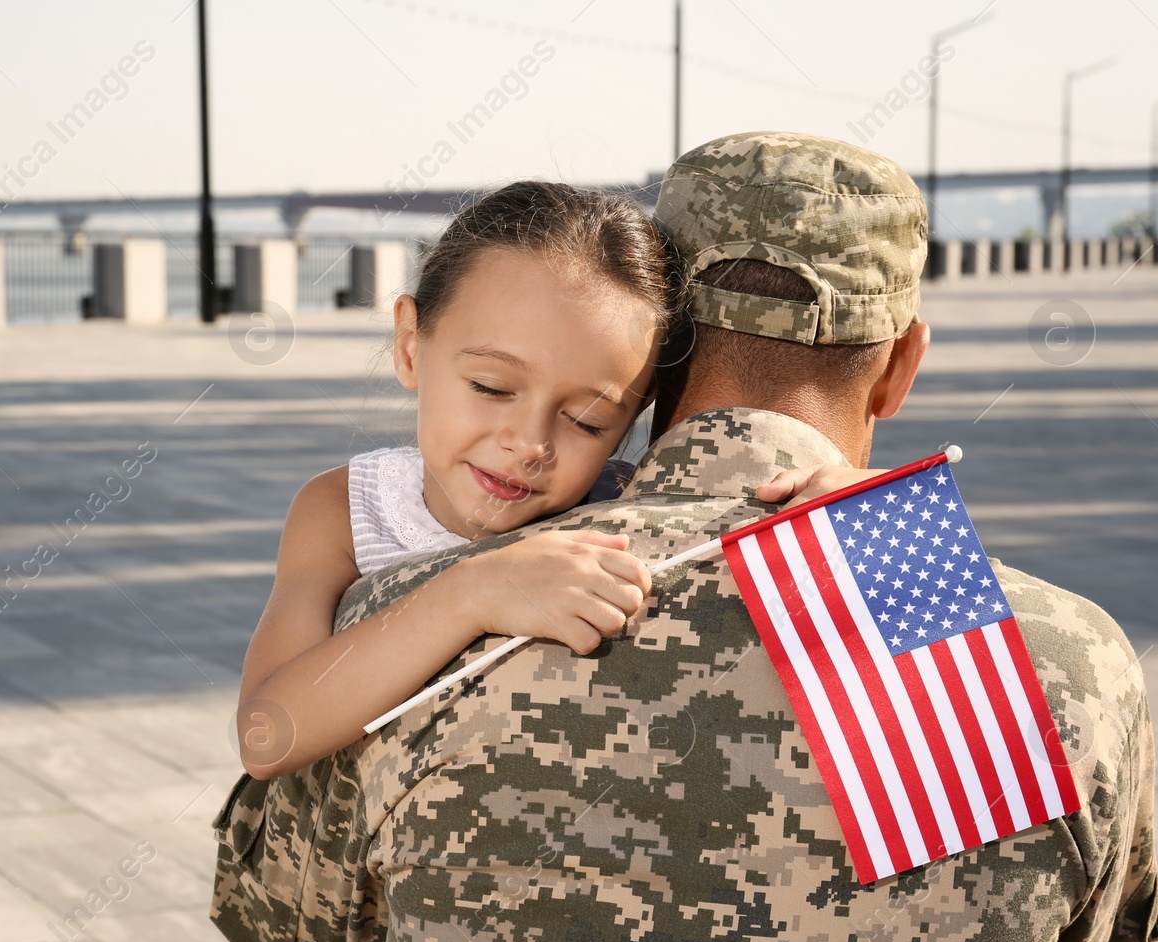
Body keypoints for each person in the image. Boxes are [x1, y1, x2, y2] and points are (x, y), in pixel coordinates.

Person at [179, 132, 1158, 942]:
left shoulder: (419, 613)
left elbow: (292, 928)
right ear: (900, 365)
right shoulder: (1016, 635)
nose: (526, 442)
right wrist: (902, 558)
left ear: (654, 366)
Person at [234, 180, 850, 782]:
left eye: (586, 420)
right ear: (410, 344)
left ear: (632, 419)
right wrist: (472, 591)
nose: (529, 445)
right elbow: (265, 735)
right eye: (491, 388)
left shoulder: (631, 508)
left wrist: (855, 511)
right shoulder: (347, 510)